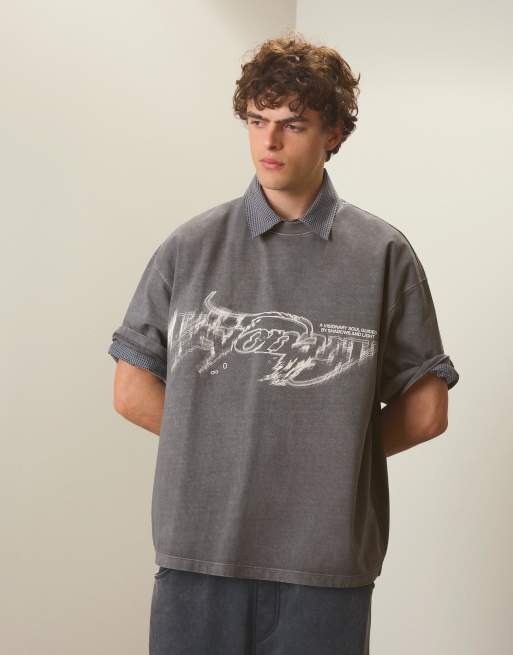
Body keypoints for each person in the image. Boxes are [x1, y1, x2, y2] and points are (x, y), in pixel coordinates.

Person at [107, 30, 459, 655]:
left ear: (333, 133)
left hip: (323, 568)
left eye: (292, 125)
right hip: (200, 556)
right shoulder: (190, 247)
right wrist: (239, 444)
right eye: (257, 121)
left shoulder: (382, 254)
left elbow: (429, 410)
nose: (268, 142)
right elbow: (131, 389)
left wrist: (330, 455)